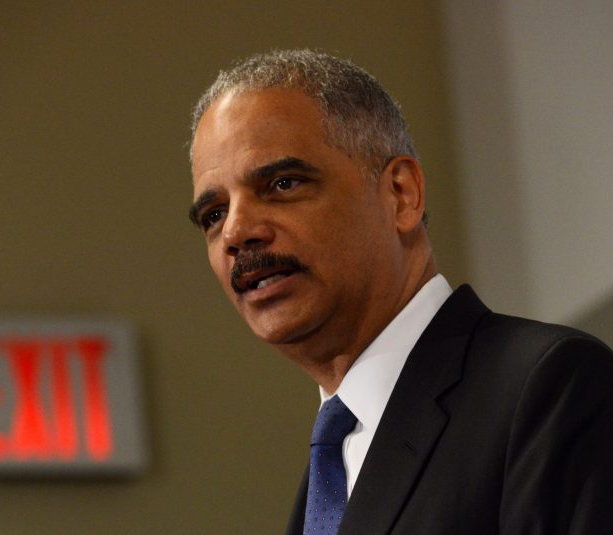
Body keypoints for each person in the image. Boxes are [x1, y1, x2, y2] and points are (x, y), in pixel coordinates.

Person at [187, 49, 613, 534]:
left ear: (401, 194)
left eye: (283, 184)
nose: (236, 232)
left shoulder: (547, 387)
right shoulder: (329, 470)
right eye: (213, 215)